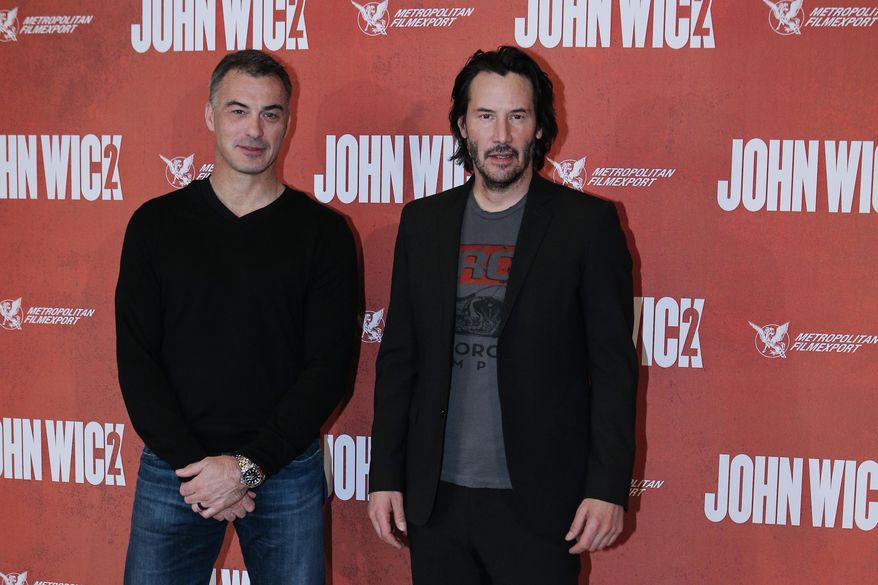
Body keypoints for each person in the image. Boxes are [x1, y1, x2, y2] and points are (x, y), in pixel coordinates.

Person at [368, 46, 638, 584]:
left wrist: (608, 487)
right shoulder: (423, 224)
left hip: (540, 500)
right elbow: (399, 360)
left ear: (539, 127)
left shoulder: (586, 226)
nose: (502, 135)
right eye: (486, 116)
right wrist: (384, 475)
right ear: (462, 126)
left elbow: (613, 369)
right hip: (436, 499)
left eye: (518, 116)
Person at [116, 50, 358, 585]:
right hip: (176, 471)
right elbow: (137, 362)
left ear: (288, 122)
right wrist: (200, 472)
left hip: (284, 469)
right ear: (210, 115)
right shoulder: (155, 225)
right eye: (238, 110)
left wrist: (246, 469)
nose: (254, 129)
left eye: (271, 113)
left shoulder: (324, 234)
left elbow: (328, 370)